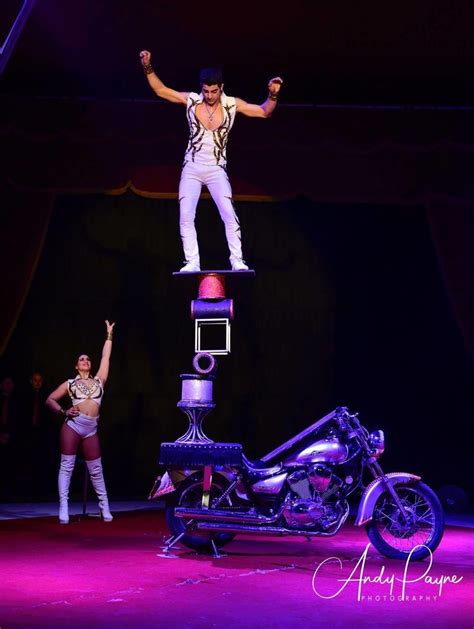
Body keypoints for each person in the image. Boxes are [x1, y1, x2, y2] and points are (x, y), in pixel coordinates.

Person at [139, 50, 283, 272]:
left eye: (214, 91)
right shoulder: (191, 100)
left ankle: (237, 260)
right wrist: (147, 66)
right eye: (206, 91)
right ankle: (192, 262)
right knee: (186, 215)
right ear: (201, 88)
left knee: (228, 213)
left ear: (221, 87)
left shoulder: (231, 105)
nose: (209, 95)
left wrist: (272, 95)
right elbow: (161, 90)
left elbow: (264, 112)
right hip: (192, 167)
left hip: (216, 169)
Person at [46, 321, 115, 524]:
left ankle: (105, 506)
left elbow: (105, 357)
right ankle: (64, 507)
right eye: (81, 359)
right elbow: (50, 399)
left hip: (91, 428)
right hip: (73, 426)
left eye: (87, 359)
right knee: (67, 466)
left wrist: (109, 335)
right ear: (76, 366)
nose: (85, 361)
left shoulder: (99, 380)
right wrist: (64, 411)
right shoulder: (70, 383)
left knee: (96, 469)